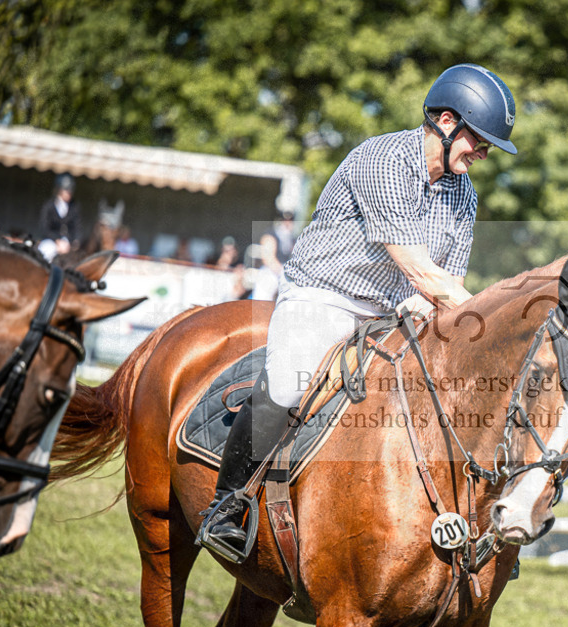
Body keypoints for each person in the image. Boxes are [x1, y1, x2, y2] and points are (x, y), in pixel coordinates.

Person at [199, 63, 518, 556]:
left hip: (393, 309)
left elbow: (448, 279)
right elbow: (420, 267)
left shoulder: (465, 194)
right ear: (448, 121)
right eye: (481, 139)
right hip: (324, 294)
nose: (485, 152)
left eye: (490, 146)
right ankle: (228, 504)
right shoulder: (384, 160)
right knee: (287, 385)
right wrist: (494, 317)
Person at [37, 172, 83, 261]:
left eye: (70, 190)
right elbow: (44, 227)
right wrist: (57, 240)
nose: (69, 193)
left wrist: (75, 241)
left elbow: (77, 226)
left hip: (69, 242)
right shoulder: (49, 206)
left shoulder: (75, 206)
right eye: (66, 190)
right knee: (45, 251)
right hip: (51, 240)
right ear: (59, 189)